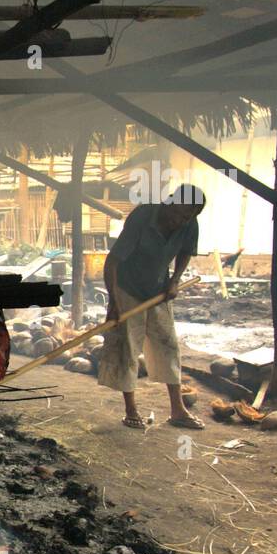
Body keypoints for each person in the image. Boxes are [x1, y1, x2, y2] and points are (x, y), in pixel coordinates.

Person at [98, 183, 205, 430]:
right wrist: (114, 303)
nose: (181, 220)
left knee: (168, 345)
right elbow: (112, 261)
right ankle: (131, 410)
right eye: (179, 213)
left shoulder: (190, 223)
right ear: (170, 202)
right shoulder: (143, 216)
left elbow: (186, 251)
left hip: (158, 290)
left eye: (188, 216)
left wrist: (175, 281)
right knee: (129, 347)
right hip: (126, 288)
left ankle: (178, 411)